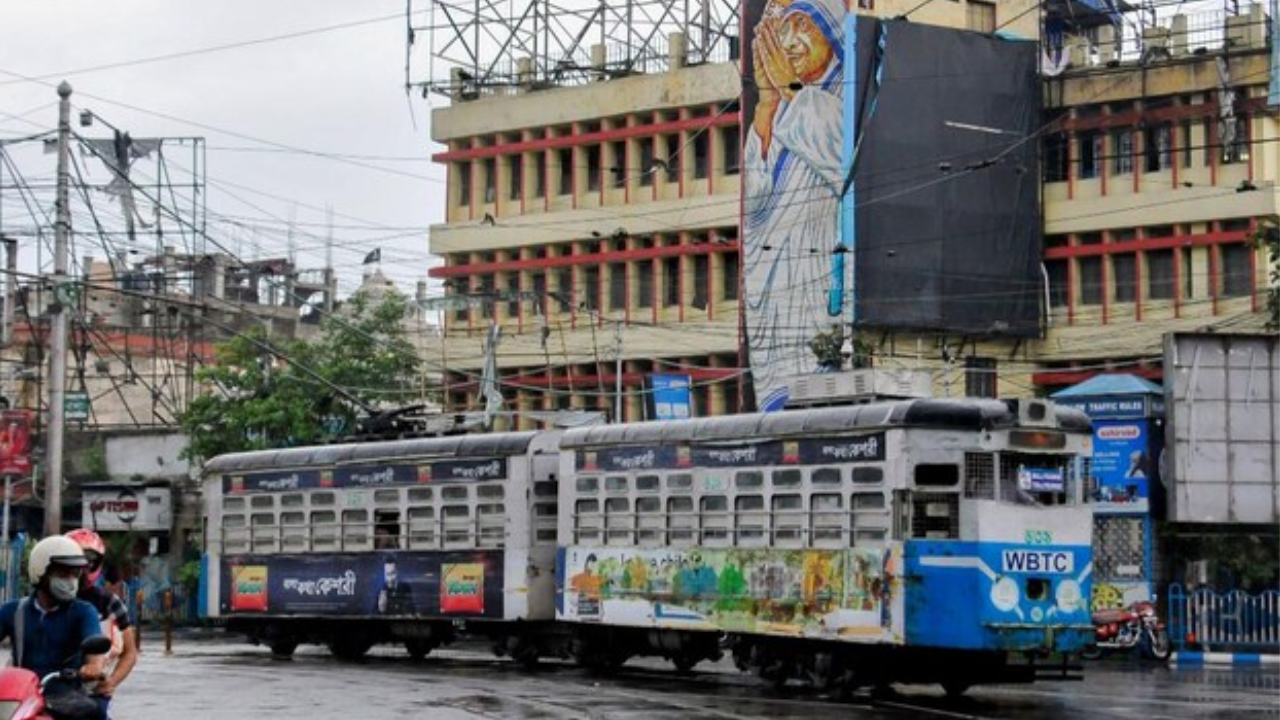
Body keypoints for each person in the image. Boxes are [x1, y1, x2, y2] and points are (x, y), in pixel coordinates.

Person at [743, 0, 847, 408]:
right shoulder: (778, 109)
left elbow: (849, 160)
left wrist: (791, 91)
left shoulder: (848, 95)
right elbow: (756, 208)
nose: (788, 43)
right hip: (777, 324)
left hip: (825, 304)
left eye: (800, 24)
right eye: (776, 32)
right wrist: (767, 104)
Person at [0, 535, 105, 718]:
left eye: (75, 574)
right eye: (63, 574)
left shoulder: (83, 611)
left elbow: (94, 649)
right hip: (21, 694)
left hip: (65, 696)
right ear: (40, 572)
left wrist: (93, 667)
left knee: (96, 713)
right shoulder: (13, 611)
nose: (70, 581)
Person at [67, 528, 138, 714]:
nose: (82, 568)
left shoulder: (108, 602)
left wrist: (111, 682)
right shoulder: (42, 601)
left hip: (92, 691)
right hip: (47, 685)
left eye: (89, 561)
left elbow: (130, 652)